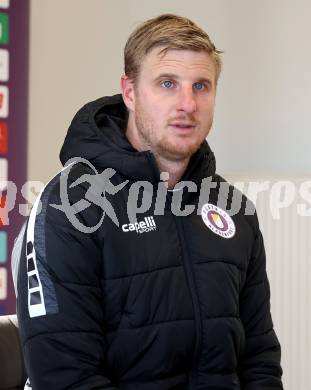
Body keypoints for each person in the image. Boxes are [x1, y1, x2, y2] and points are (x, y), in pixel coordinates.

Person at [15, 14, 283, 389]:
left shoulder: (234, 211)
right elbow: (65, 376)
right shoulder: (68, 208)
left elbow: (259, 360)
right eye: (168, 83)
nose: (187, 103)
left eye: (201, 86)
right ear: (129, 92)